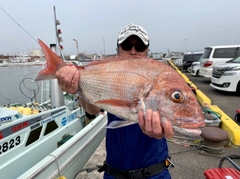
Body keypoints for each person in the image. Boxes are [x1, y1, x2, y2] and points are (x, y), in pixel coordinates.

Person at [56, 23, 174, 179]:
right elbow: (92, 110)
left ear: (147, 52)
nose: (133, 52)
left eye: (139, 47)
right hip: (115, 173)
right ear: (118, 50)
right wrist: (77, 88)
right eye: (127, 46)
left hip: (156, 172)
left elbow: (175, 115)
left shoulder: (159, 78)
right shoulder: (108, 73)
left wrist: (167, 129)